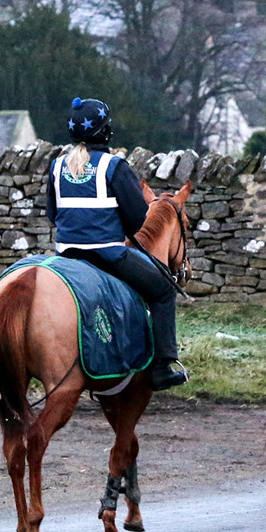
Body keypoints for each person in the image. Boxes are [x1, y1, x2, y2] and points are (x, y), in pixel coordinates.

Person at [44, 97, 188, 390]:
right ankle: (162, 367)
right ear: (104, 131)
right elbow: (138, 220)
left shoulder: (57, 166)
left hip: (65, 257)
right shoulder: (115, 166)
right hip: (108, 255)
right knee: (163, 291)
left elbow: (51, 214)